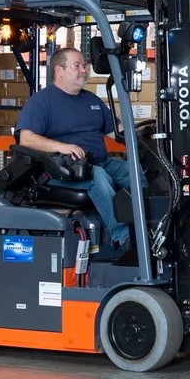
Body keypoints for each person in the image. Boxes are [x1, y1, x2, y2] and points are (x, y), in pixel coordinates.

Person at [15, 47, 135, 255]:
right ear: (59, 70)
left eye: (84, 66)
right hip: (63, 171)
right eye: (77, 66)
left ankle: (148, 231)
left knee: (136, 172)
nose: (83, 70)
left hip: (100, 162)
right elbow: (26, 139)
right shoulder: (42, 102)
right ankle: (123, 239)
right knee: (97, 176)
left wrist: (145, 134)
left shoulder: (92, 101)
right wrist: (61, 147)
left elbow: (117, 132)